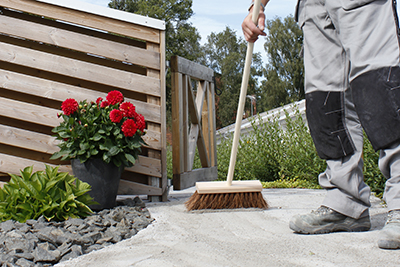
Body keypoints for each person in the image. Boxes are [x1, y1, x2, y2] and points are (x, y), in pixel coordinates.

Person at [242, 0, 400, 249]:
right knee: (324, 99)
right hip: (313, 5)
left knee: (379, 84)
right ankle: (345, 203)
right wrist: (258, 5)